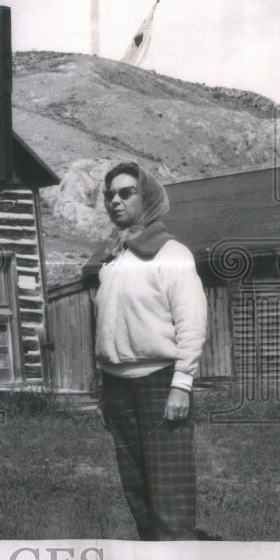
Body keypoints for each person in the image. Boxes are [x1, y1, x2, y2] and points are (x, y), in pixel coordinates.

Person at [86, 162, 208, 540]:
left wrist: (181, 384)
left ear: (148, 197)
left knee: (169, 498)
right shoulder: (113, 261)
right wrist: (104, 391)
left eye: (126, 193)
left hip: (159, 384)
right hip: (117, 387)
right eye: (110, 195)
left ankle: (183, 559)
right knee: (137, 494)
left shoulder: (172, 253)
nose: (115, 201)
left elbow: (191, 321)